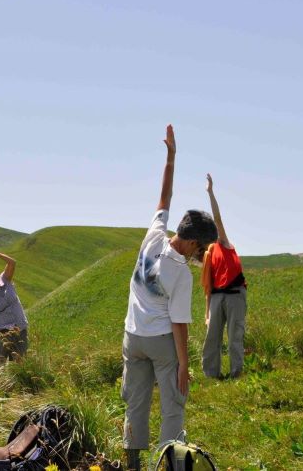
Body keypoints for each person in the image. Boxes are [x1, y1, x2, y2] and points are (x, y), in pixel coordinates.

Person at [122, 125, 218, 471]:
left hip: (132, 336)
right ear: (193, 243)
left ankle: (132, 464)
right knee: (173, 406)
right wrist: (183, 365)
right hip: (162, 341)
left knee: (136, 403)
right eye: (203, 247)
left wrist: (171, 156)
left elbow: (164, 197)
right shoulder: (181, 273)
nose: (202, 253)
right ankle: (170, 464)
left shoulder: (155, 234)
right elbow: (179, 323)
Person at [201, 173, 247, 379]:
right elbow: (207, 286)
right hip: (217, 297)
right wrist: (207, 313)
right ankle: (211, 374)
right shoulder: (208, 254)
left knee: (234, 335)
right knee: (212, 335)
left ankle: (236, 373)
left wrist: (210, 192)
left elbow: (218, 218)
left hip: (236, 294)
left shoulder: (225, 244)